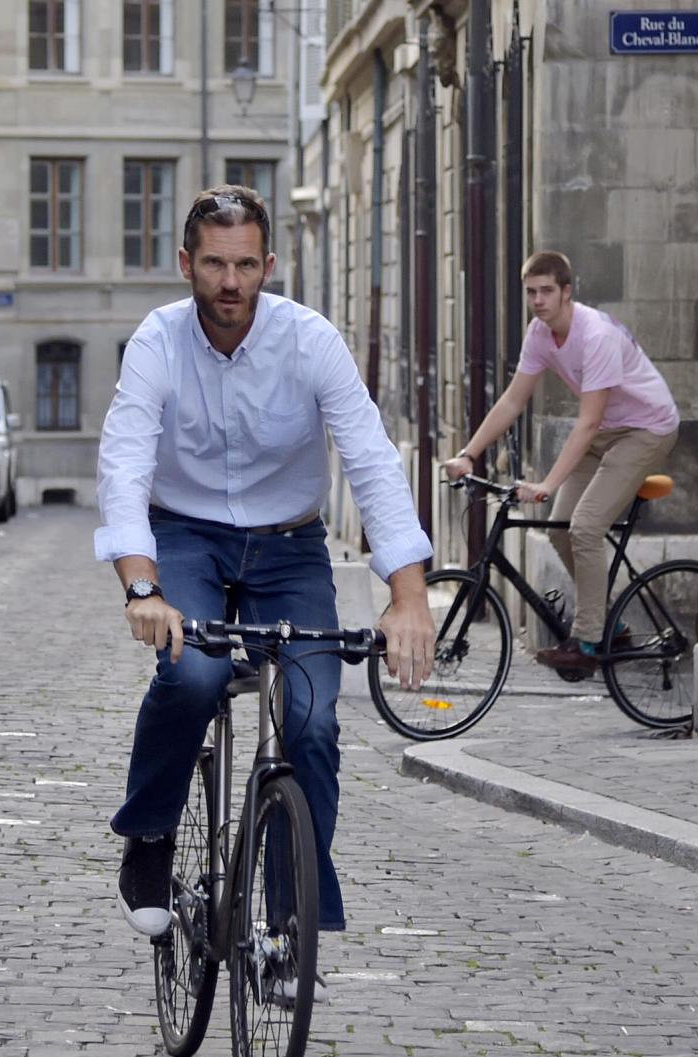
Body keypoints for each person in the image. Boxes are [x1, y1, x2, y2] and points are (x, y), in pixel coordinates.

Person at [95, 185, 435, 985]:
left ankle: (289, 927)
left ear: (268, 266)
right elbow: (123, 464)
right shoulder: (157, 342)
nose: (229, 282)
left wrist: (409, 594)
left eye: (246, 264)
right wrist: (142, 587)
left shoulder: (309, 341)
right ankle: (148, 838)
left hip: (288, 549)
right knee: (196, 671)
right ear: (186, 264)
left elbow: (372, 462)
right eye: (213, 263)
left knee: (312, 718)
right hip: (184, 536)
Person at [444, 249, 679, 677]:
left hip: (646, 428)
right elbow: (513, 400)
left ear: (566, 292)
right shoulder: (539, 333)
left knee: (586, 526)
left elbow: (587, 424)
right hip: (607, 428)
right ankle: (614, 624)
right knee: (560, 528)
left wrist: (547, 482)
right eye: (531, 292)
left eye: (546, 291)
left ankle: (587, 641)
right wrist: (468, 452)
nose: (537, 300)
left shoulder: (596, 336)